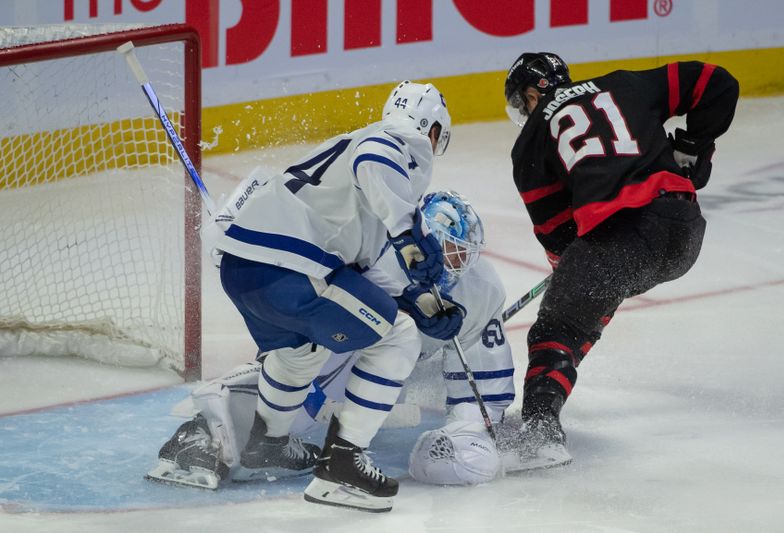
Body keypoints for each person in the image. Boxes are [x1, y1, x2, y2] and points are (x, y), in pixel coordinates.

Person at [168, 81, 462, 512]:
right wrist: (410, 234)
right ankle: (343, 464)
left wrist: (413, 298)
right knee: (398, 337)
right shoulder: (392, 143)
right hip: (292, 272)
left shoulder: (346, 150)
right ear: (432, 130)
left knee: (300, 352)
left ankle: (266, 446)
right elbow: (375, 159)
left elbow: (363, 272)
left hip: (245, 271)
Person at [148, 191, 525, 492]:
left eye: (457, 253)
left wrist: (471, 429)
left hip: (397, 368)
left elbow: (481, 372)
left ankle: (341, 439)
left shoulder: (481, 290)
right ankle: (205, 432)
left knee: (395, 353)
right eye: (439, 249)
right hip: (337, 344)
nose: (446, 263)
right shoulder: (372, 245)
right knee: (304, 368)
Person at [502, 53, 739, 461]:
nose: (523, 114)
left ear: (530, 93)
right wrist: (692, 149)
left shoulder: (529, 145)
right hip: (684, 231)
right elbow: (716, 82)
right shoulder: (624, 83)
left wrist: (576, 297)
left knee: (558, 327)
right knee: (593, 287)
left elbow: (561, 240)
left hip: (624, 239)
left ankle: (540, 433)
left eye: (521, 104)